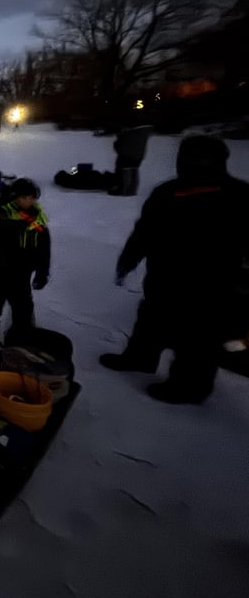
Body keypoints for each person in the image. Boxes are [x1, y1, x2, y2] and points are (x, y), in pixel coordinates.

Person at [101, 135, 249, 403]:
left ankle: (189, 387)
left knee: (199, 335)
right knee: (151, 318)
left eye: (201, 158)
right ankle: (140, 358)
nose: (193, 162)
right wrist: (129, 258)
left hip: (213, 285)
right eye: (189, 156)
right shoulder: (168, 192)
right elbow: (144, 231)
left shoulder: (239, 196)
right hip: (164, 276)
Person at [0, 178, 50, 343]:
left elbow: (43, 248)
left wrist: (42, 272)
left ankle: (19, 339)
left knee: (23, 308)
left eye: (32, 197)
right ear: (16, 197)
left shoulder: (36, 219)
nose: (29, 201)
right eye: (25, 197)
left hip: (21, 273)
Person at [108, 124, 151, 196]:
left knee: (123, 170)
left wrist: (118, 140)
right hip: (136, 156)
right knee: (131, 170)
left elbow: (118, 147)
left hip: (129, 157)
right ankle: (128, 190)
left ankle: (123, 190)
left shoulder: (129, 136)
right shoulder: (140, 132)